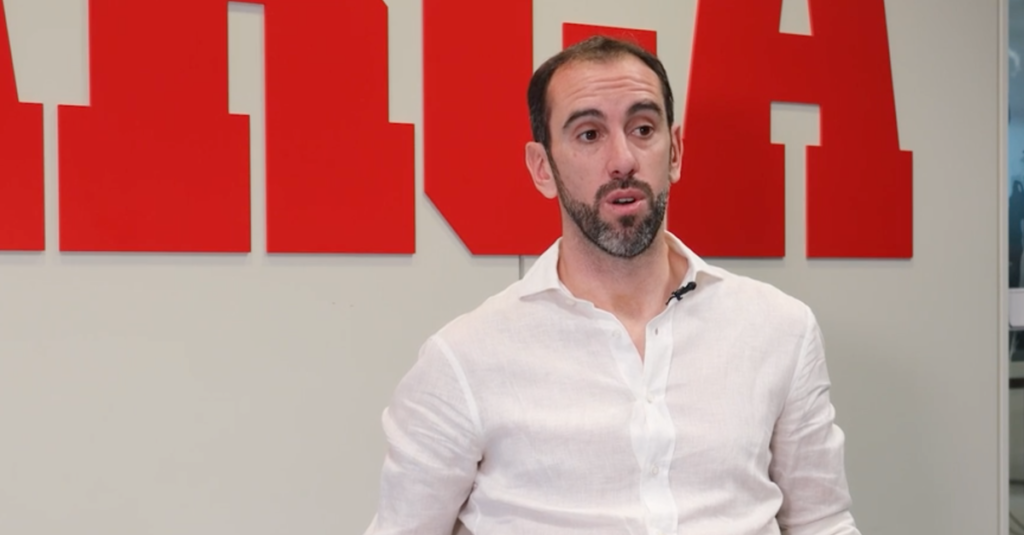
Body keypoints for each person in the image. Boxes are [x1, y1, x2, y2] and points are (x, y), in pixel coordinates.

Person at [363, 35, 860, 535]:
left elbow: (822, 523)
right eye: (589, 134)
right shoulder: (464, 360)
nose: (622, 159)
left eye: (643, 129)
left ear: (675, 151)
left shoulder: (779, 329)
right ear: (542, 168)